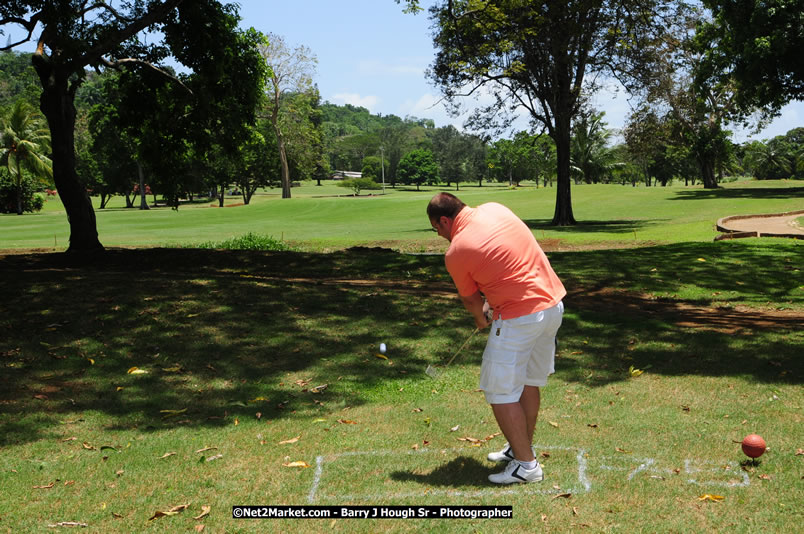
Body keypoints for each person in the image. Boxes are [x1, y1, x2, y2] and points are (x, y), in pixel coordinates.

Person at [427, 192, 566, 484]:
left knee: (500, 392)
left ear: (444, 220)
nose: (439, 235)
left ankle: (526, 467)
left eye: (437, 229)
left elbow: (470, 300)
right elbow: (506, 262)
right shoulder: (495, 209)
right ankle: (520, 450)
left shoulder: (456, 251)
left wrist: (481, 319)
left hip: (521, 318)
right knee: (527, 382)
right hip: (552, 305)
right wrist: (492, 303)